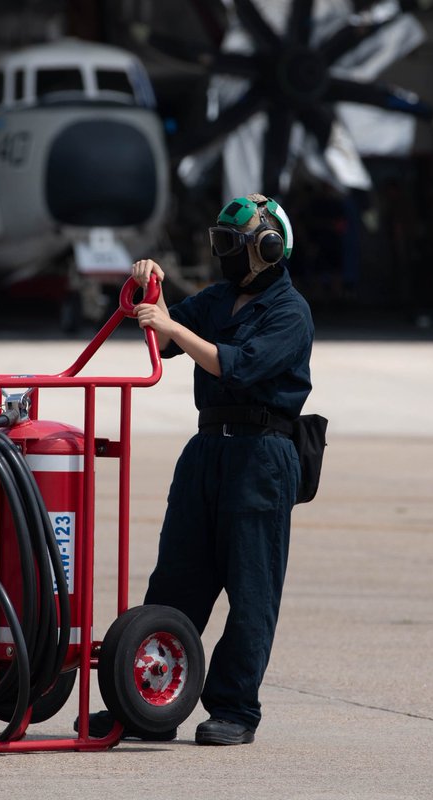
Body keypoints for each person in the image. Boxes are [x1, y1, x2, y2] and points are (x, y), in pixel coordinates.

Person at [86, 193, 315, 745]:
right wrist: (149, 286)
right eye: (220, 244)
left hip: (261, 455)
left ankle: (235, 709)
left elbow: (236, 366)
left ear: (267, 248)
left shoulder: (289, 312)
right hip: (209, 448)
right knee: (174, 583)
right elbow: (162, 337)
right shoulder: (218, 300)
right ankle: (143, 701)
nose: (223, 255)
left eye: (232, 245)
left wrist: (174, 326)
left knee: (250, 588)